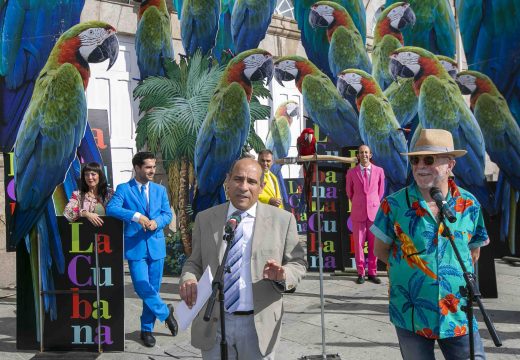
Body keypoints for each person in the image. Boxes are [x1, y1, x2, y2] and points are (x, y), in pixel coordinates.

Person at [371, 129, 489, 360]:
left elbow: (473, 251)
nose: (420, 166)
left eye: (429, 159)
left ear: (450, 165)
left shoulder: (469, 204)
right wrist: (414, 268)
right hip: (411, 312)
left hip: (457, 312)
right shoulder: (393, 204)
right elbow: (381, 250)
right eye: (415, 160)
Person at [179, 158, 306, 359]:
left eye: (252, 181)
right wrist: (189, 279)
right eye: (238, 179)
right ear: (227, 181)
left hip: (258, 324)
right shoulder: (206, 218)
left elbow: (298, 263)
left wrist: (283, 275)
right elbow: (194, 262)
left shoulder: (283, 220)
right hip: (215, 322)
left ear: (262, 186)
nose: (244, 187)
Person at [106, 152, 178, 347]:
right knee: (141, 285)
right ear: (137, 168)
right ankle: (165, 312)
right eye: (148, 167)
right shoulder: (124, 189)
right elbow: (111, 208)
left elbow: (166, 214)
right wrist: (137, 216)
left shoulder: (159, 190)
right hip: (135, 247)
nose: (152, 170)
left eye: (153, 167)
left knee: (152, 289)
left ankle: (147, 330)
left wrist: (157, 222)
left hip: (156, 245)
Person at [346, 145, 385, 284]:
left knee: (374, 245)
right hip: (358, 213)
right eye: (361, 153)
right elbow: (349, 193)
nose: (364, 155)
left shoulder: (379, 171)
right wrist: (359, 203)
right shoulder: (352, 172)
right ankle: (361, 273)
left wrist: (373, 203)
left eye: (366, 152)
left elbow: (380, 192)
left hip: (374, 213)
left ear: (371, 154)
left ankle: (372, 273)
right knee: (358, 245)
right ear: (358, 155)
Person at [64, 162, 114, 226]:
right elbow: (68, 213)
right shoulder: (78, 195)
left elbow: (117, 210)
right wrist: (85, 213)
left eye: (93, 174)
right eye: (86, 175)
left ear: (100, 175)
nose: (89, 177)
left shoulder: (110, 193)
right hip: (85, 233)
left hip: (108, 232)